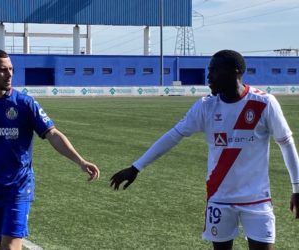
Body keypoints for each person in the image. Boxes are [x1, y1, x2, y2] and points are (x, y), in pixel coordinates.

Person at [110, 50, 299, 250]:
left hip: (257, 200)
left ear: (234, 72)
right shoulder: (205, 106)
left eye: (214, 71)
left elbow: (286, 143)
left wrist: (297, 188)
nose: (208, 77)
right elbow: (173, 135)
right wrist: (136, 167)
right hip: (219, 198)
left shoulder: (264, 103)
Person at [0, 49, 100, 250]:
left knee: (11, 245)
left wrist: (80, 161)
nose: (10, 74)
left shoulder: (25, 104)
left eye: (11, 69)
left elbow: (53, 134)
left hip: (19, 186)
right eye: (3, 70)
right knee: (1, 245)